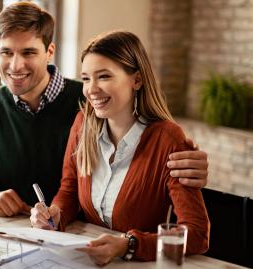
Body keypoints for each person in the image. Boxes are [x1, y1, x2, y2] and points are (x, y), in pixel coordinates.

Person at [0, 2, 209, 218]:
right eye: (6, 52)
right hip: (17, 234)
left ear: (50, 52)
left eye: (29, 52)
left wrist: (185, 162)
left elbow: (144, 151)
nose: (15, 65)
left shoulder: (93, 103)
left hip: (84, 234)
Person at [30, 30, 209, 265]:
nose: (91, 89)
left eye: (104, 76)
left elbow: (196, 234)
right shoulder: (83, 124)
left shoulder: (168, 139)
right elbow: (69, 190)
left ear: (136, 80)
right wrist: (55, 214)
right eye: (86, 78)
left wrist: (129, 244)